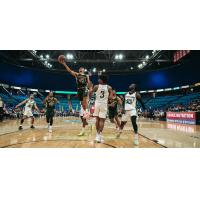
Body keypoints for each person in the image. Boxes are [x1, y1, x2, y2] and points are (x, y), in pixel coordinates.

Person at [89, 75, 112, 143]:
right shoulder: (109, 87)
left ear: (102, 80)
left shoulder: (96, 86)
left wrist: (90, 98)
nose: (98, 80)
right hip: (104, 104)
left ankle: (98, 135)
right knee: (102, 120)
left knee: (97, 120)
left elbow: (90, 92)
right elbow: (110, 98)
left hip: (97, 103)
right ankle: (99, 135)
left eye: (99, 79)